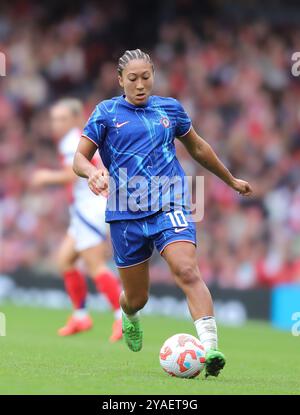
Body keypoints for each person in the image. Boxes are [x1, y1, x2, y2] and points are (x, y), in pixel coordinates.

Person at [73, 49, 253, 377]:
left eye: (146, 77)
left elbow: (197, 147)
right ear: (120, 81)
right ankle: (128, 314)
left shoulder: (170, 109)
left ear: (153, 75)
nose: (140, 85)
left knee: (186, 270)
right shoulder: (106, 113)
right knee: (137, 298)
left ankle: (210, 348)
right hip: (126, 214)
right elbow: (79, 159)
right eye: (133, 79)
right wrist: (93, 173)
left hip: (170, 203)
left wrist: (230, 180)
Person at [31, 98, 122, 342]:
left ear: (74, 118)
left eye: (61, 118)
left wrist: (45, 177)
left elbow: (71, 174)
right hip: (83, 208)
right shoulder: (76, 139)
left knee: (95, 265)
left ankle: (121, 317)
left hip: (90, 207)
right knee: (65, 260)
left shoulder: (73, 139)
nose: (55, 124)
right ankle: (81, 316)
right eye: (53, 119)